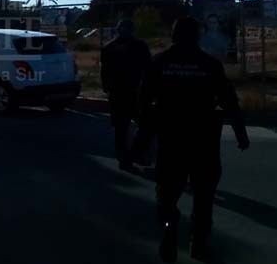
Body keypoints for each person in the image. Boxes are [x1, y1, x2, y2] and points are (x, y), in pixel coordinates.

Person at [140, 17, 250, 263]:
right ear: (197, 36)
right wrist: (240, 133)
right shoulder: (209, 64)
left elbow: (144, 105)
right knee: (203, 196)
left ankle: (169, 230)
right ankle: (198, 243)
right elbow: (229, 101)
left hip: (170, 139)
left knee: (166, 195)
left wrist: (143, 139)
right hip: (203, 140)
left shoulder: (159, 63)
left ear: (173, 35)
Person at [101, 19, 152, 171]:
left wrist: (106, 87)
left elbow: (105, 71)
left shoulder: (109, 47)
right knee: (143, 125)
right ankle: (135, 154)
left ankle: (126, 157)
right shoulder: (140, 46)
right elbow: (148, 68)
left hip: (120, 91)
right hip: (135, 91)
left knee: (122, 128)